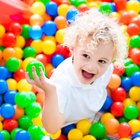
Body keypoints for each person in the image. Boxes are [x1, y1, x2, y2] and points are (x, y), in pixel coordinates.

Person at [25, 8, 128, 134]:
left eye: (101, 61)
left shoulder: (107, 68)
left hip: (90, 114)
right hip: (67, 122)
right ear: (73, 49)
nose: (91, 67)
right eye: (86, 56)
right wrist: (49, 91)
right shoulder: (61, 83)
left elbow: (100, 87)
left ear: (111, 60)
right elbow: (51, 128)